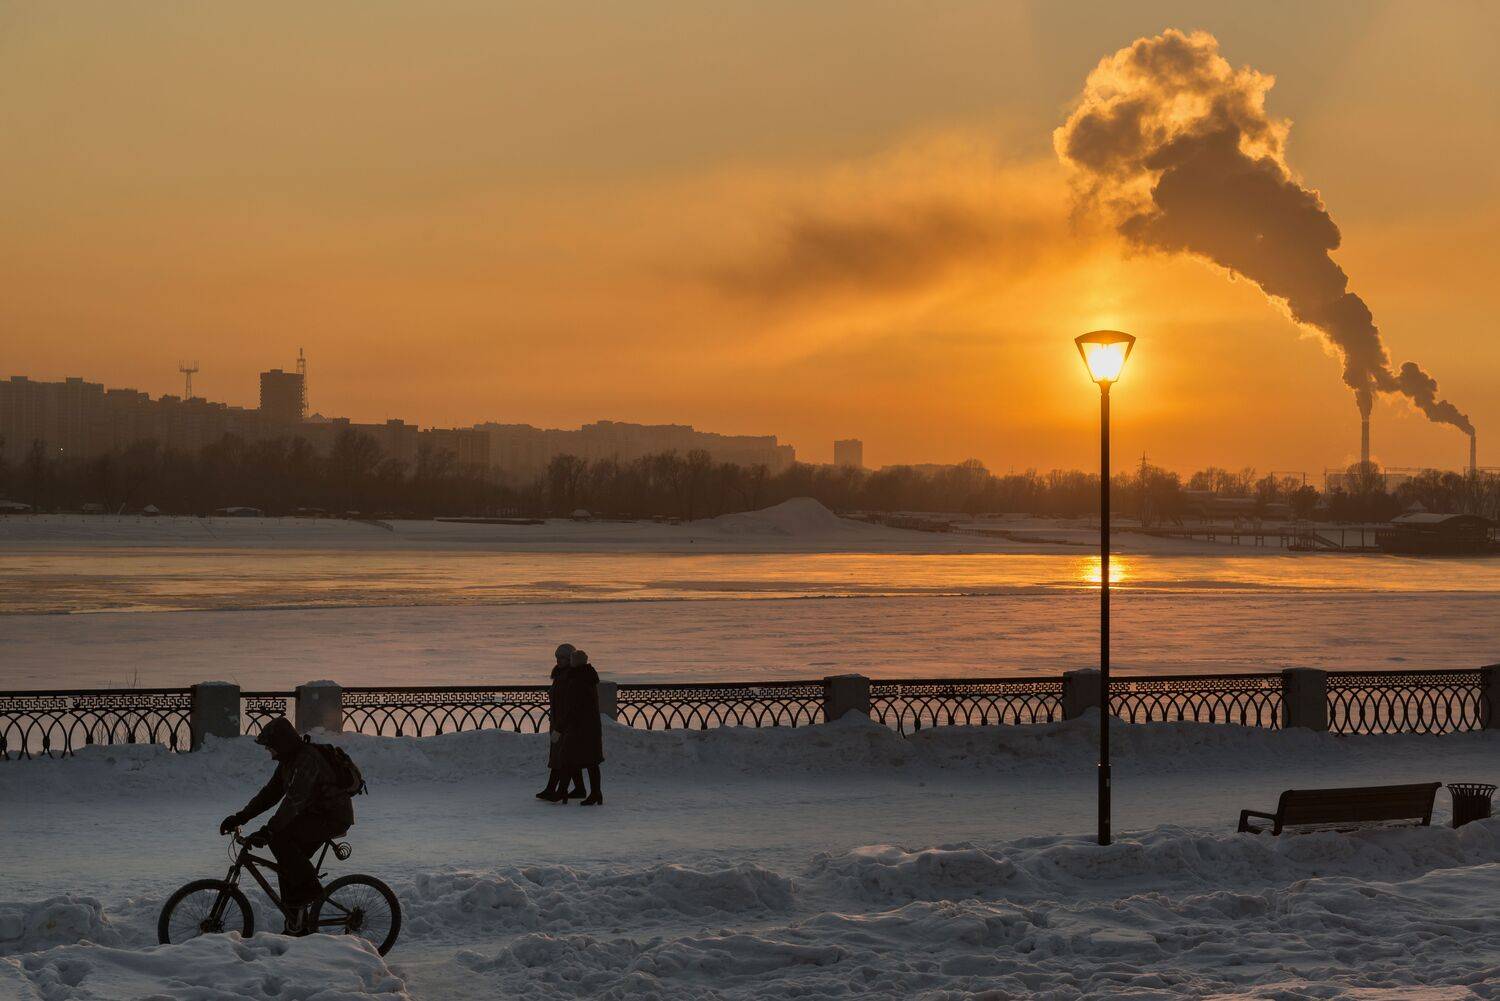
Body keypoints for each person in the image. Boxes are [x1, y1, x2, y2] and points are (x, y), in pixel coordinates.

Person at [219, 717, 354, 933]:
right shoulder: (288, 761)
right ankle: (297, 924)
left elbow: (294, 801)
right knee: (288, 865)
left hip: (332, 816)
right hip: (312, 814)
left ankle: (311, 892)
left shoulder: (307, 759)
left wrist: (268, 830)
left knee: (281, 840)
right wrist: (241, 817)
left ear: (282, 743)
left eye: (270, 747)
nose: (269, 752)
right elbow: (270, 794)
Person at [537, 643, 585, 802]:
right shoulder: (559, 674)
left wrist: (561, 724)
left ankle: (552, 789)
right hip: (558, 721)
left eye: (562, 658)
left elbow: (569, 702)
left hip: (565, 723)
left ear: (569, 659)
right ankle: (579, 788)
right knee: (568, 756)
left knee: (561, 756)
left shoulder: (570, 676)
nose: (559, 661)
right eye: (557, 658)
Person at [559, 648, 604, 806]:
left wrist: (562, 725)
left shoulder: (577, 680)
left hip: (579, 727)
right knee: (592, 762)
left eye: (571, 660)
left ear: (575, 662)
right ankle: (595, 793)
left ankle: (562, 792)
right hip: (590, 726)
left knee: (568, 758)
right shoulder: (588, 676)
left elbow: (573, 706)